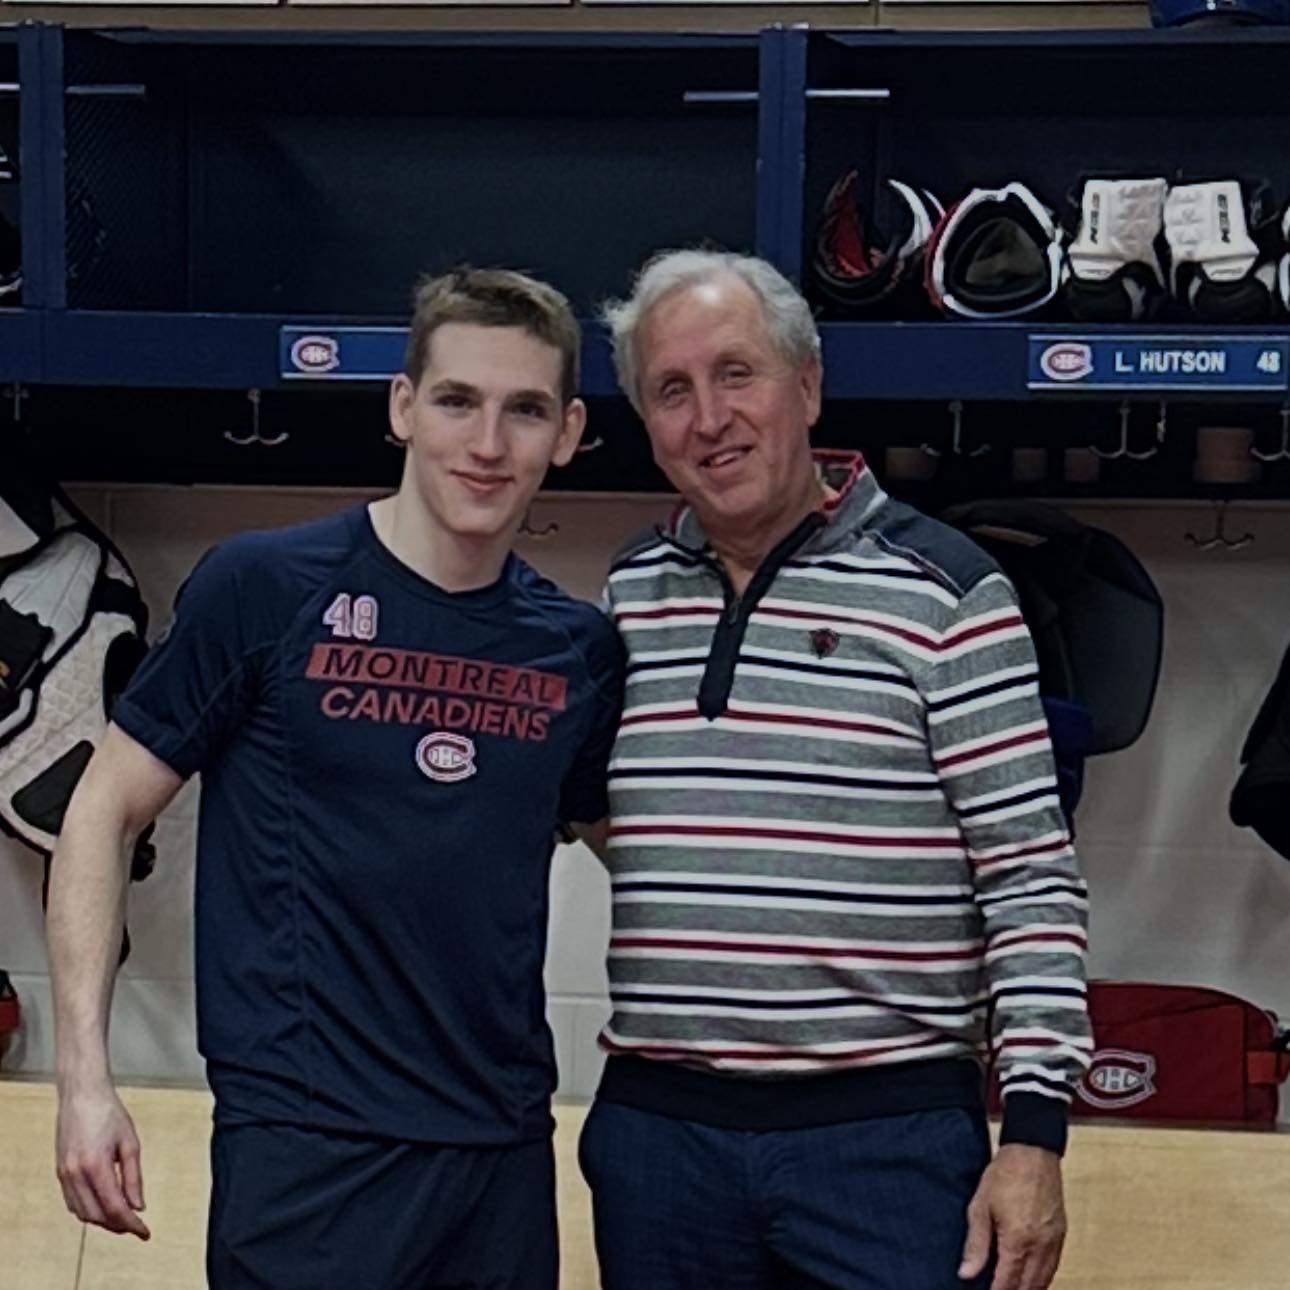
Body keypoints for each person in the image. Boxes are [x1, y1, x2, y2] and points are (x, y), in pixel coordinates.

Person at [47, 267, 625, 1290]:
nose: (488, 443)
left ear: (569, 431)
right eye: (456, 400)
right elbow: (101, 808)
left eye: (526, 410)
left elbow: (645, 857)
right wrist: (83, 1079)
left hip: (498, 1158)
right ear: (402, 407)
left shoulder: (575, 650)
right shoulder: (264, 589)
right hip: (306, 1156)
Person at [578, 249, 1093, 1290]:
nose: (709, 418)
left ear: (807, 386)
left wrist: (1034, 1135)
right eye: (671, 391)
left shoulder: (948, 592)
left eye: (737, 374)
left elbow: (1030, 878)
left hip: (886, 1143)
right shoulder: (629, 593)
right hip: (661, 1140)